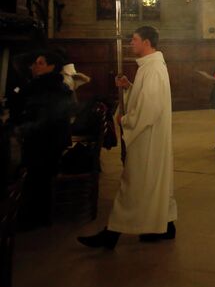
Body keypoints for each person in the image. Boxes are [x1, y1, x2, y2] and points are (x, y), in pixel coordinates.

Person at [78, 26, 177, 249]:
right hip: (149, 134)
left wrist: (125, 120)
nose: (130, 44)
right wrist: (129, 88)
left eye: (134, 40)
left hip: (147, 135)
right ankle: (165, 225)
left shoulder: (153, 69)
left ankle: (112, 234)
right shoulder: (149, 66)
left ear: (147, 42)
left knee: (134, 184)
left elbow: (150, 108)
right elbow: (145, 98)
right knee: (153, 182)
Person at [13, 50, 73, 228]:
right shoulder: (46, 84)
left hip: (45, 141)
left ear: (51, 67)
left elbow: (46, 118)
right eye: (35, 63)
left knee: (37, 178)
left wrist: (22, 128)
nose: (34, 66)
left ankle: (34, 218)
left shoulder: (48, 87)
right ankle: (35, 215)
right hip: (47, 138)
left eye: (40, 63)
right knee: (37, 178)